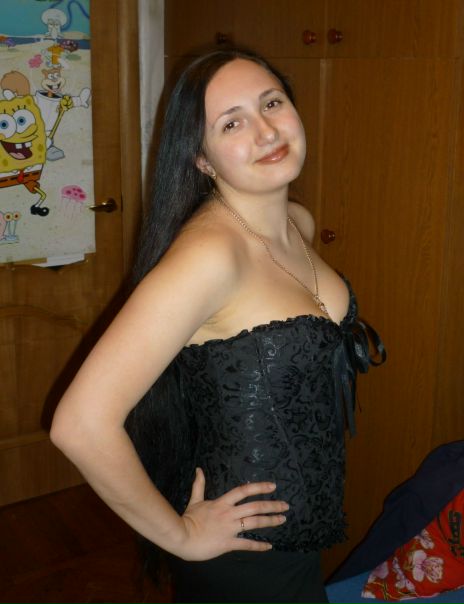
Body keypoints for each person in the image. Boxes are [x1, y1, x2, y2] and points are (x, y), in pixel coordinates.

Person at [50, 48, 385, 604]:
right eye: (232, 123)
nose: (266, 131)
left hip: (306, 529)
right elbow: (80, 424)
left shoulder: (295, 222)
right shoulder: (208, 258)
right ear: (202, 160)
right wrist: (181, 536)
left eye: (271, 103)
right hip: (246, 556)